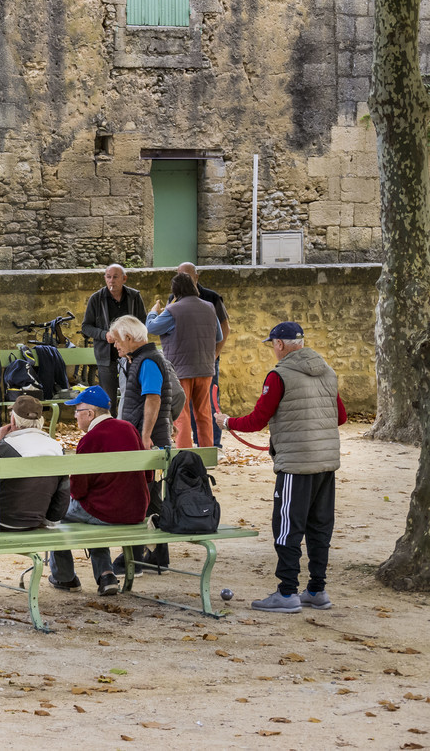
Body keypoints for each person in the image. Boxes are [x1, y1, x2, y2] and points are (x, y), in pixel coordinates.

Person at [214, 322, 345, 613]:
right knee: (319, 527)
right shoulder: (327, 372)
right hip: (326, 462)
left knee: (286, 527)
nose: (273, 348)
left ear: (281, 344)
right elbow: (341, 416)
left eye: (272, 343)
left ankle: (287, 593)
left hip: (295, 464)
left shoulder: (279, 375)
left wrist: (226, 422)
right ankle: (316, 589)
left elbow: (258, 419)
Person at [0, 394, 68, 598]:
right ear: (41, 422)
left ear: (13, 421)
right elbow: (62, 499)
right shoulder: (56, 448)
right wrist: (49, 520)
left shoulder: (6, 447)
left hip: (1, 519)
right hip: (35, 520)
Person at [48, 387, 150, 595]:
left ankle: (64, 577)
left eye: (77, 411)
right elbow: (148, 476)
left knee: (56, 514)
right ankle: (106, 575)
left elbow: (78, 490)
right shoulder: (129, 428)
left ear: (90, 414)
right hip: (136, 509)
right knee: (93, 510)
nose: (75, 416)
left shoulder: (90, 439)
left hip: (106, 511)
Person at [147, 272, 223, 450]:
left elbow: (151, 328)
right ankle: (207, 453)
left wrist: (152, 312)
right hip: (205, 368)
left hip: (180, 370)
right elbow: (218, 336)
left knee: (182, 414)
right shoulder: (210, 307)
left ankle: (184, 453)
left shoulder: (173, 310)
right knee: (204, 413)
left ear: (175, 291)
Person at [108, 315, 182, 450]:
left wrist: (146, 436)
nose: (115, 345)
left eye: (117, 341)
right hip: (144, 433)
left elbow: (153, 399)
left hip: (151, 439)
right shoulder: (140, 359)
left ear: (129, 338)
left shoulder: (148, 361)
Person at [177, 262, 231, 445]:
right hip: (185, 362)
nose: (183, 278)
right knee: (187, 405)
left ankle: (213, 444)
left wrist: (215, 354)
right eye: (180, 275)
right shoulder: (174, 298)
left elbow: (225, 328)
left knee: (208, 404)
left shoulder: (211, 298)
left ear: (196, 277)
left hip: (206, 360)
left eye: (187, 275)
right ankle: (194, 443)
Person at [80, 265, 146, 404]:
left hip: (131, 355)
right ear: (104, 278)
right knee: (108, 399)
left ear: (124, 279)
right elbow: (86, 327)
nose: (111, 280)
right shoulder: (96, 298)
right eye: (108, 277)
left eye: (115, 277)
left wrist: (132, 335)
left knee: (133, 396)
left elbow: (143, 323)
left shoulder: (134, 296)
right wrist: (104, 335)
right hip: (106, 355)